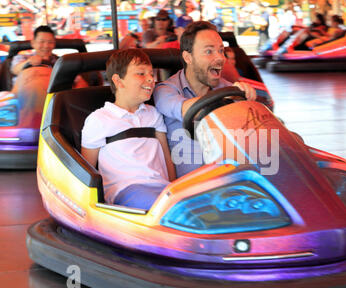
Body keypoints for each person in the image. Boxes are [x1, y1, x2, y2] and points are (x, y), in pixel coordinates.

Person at [153, 21, 256, 177]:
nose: (220, 58)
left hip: (229, 179)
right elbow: (187, 110)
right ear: (188, 57)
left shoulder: (228, 89)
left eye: (221, 51)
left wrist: (247, 99)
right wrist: (226, 98)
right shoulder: (166, 90)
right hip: (190, 189)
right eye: (209, 51)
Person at [81, 49, 176, 210]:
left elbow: (167, 159)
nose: (151, 79)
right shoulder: (100, 119)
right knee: (167, 209)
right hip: (125, 190)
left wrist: (175, 187)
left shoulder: (153, 114)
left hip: (162, 188)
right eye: (141, 73)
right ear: (118, 81)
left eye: (151, 74)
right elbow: (85, 171)